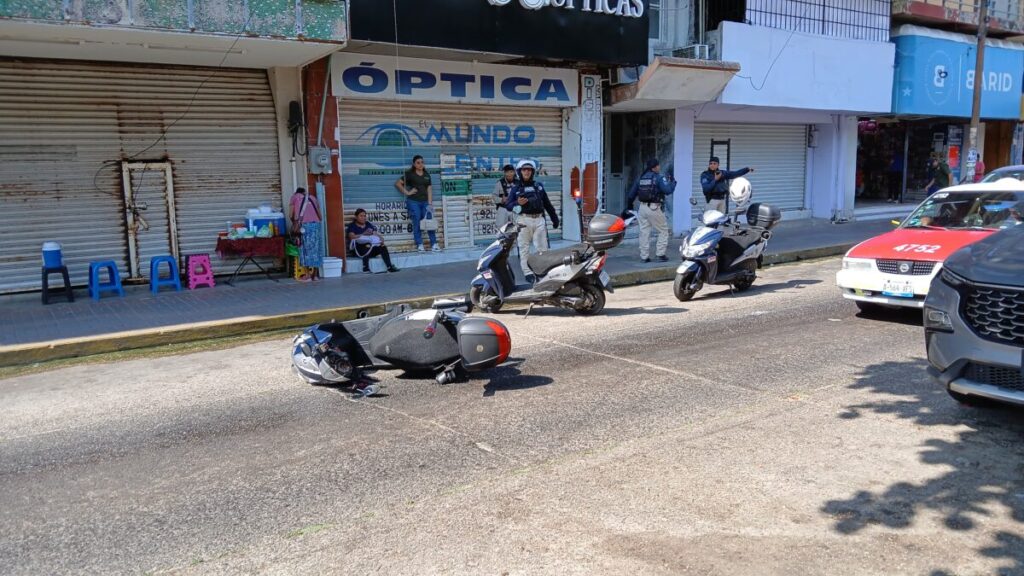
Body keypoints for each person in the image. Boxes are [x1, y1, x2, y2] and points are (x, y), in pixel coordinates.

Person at [505, 159, 559, 283]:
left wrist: (554, 218)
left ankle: (543, 271)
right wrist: (516, 203)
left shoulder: (538, 187)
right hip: (523, 221)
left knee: (542, 248)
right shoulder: (515, 189)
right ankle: (527, 272)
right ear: (520, 172)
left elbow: (547, 204)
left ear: (532, 172)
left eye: (529, 170)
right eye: (524, 170)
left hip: (539, 220)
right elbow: (508, 205)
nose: (527, 172)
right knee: (524, 249)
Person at [624, 158, 676, 262]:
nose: (659, 167)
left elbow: (631, 195)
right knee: (663, 230)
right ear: (655, 167)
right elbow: (667, 190)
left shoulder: (641, 178)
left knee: (644, 232)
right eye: (658, 165)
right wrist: (673, 182)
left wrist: (629, 207)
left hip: (642, 208)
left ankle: (644, 256)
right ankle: (660, 254)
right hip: (654, 207)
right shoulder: (659, 177)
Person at [395, 155, 440, 252]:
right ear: (414, 164)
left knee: (429, 222)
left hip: (425, 203)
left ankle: (434, 244)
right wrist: (407, 192)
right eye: (418, 163)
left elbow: (429, 189)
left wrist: (430, 204)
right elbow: (398, 183)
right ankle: (420, 245)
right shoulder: (410, 174)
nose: (420, 164)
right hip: (413, 202)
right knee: (417, 222)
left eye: (422, 162)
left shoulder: (427, 175)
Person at [346, 209, 399, 273]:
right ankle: (365, 268)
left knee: (383, 247)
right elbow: (351, 236)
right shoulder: (352, 225)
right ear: (356, 217)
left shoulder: (368, 224)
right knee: (367, 245)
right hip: (358, 251)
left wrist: (381, 238)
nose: (363, 218)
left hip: (370, 250)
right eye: (361, 216)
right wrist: (364, 234)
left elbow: (375, 233)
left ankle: (389, 267)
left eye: (364, 216)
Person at [289, 186, 322, 281]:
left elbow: (290, 215)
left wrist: (295, 223)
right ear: (305, 192)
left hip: (303, 227)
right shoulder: (313, 198)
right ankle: (315, 275)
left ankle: (307, 275)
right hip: (316, 226)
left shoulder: (294, 197)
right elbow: (320, 216)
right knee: (316, 250)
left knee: (303, 250)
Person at [492, 164, 516, 231]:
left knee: (516, 229)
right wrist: (501, 200)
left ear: (514, 172)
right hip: (503, 208)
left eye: (511, 172)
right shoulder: (500, 183)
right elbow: (494, 196)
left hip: (515, 209)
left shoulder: (518, 183)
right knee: (501, 230)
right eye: (507, 172)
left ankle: (515, 241)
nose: (509, 174)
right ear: (504, 173)